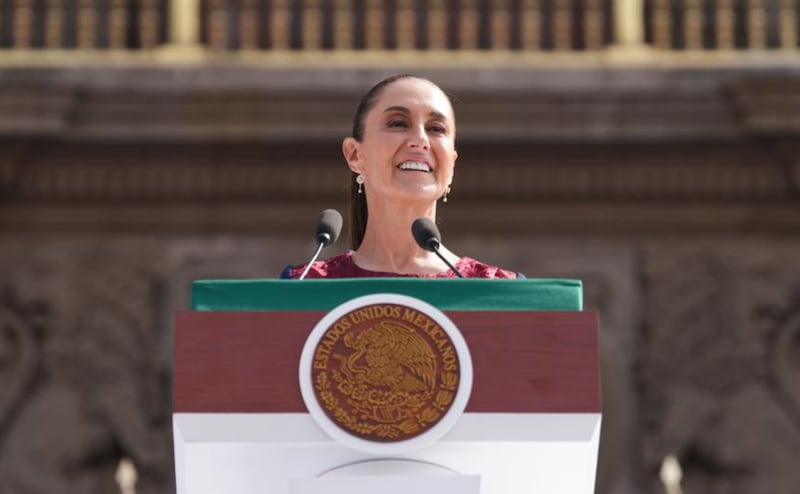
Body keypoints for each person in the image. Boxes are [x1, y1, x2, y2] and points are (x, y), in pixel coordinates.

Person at [282, 74, 519, 279]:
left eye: (436, 129)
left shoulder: (497, 291)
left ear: (452, 165)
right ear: (354, 155)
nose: (420, 141)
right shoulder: (306, 286)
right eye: (398, 123)